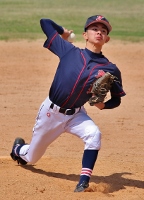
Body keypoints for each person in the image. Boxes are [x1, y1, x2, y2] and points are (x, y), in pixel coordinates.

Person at [10, 15, 126, 192]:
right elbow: (44, 22)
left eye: (104, 31)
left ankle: (83, 182)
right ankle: (18, 149)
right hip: (50, 113)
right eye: (95, 29)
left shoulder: (111, 68)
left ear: (107, 39)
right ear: (85, 35)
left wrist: (104, 105)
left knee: (94, 134)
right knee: (31, 157)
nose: (99, 33)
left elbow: (117, 99)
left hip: (76, 115)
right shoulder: (69, 51)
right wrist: (63, 32)